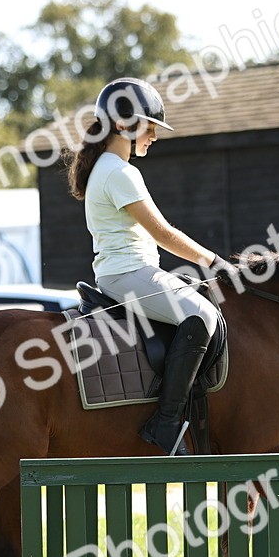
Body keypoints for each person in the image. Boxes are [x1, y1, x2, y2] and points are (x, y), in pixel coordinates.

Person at [65, 77, 237, 455]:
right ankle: (166, 422)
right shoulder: (118, 172)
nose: (155, 136)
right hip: (129, 274)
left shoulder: (108, 168)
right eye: (150, 126)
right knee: (203, 317)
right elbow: (162, 232)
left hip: (125, 272)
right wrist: (212, 261)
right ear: (125, 125)